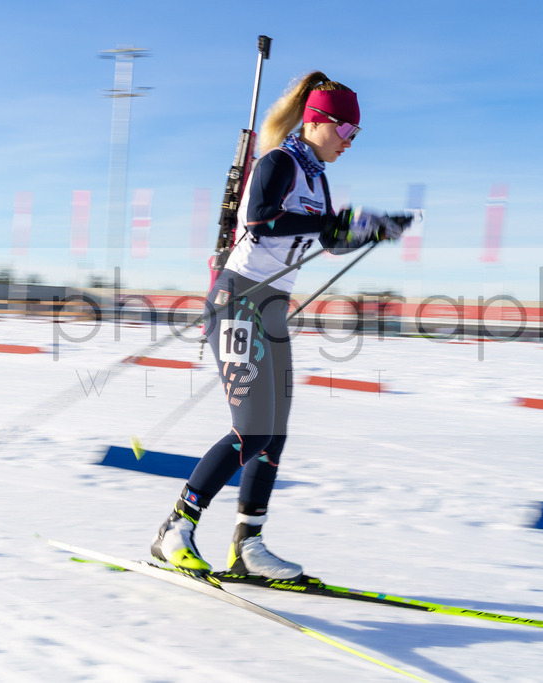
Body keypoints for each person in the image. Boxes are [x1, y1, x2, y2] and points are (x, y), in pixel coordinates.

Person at [150, 71, 411, 579]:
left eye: (355, 135)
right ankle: (175, 529)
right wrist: (340, 222)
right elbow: (262, 220)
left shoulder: (317, 174)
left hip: (271, 306)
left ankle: (248, 544)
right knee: (251, 430)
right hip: (237, 299)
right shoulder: (279, 162)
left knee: (275, 434)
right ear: (318, 122)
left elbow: (329, 239)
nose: (349, 142)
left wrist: (371, 229)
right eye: (346, 131)